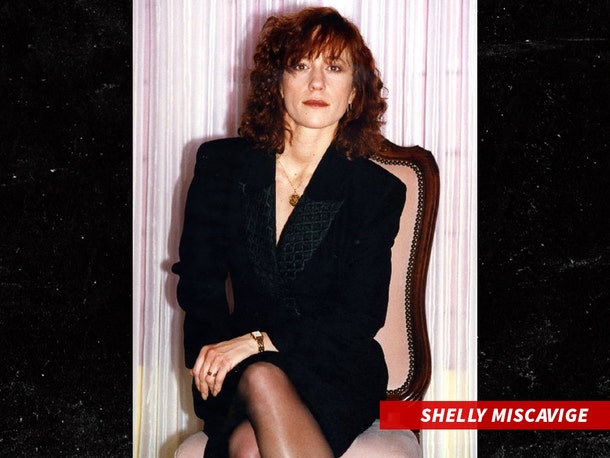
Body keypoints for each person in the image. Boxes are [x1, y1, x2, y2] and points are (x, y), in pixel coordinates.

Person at [172, 7, 406, 457]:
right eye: (301, 66)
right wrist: (210, 359)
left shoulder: (375, 191)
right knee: (258, 382)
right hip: (236, 364)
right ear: (277, 83)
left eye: (334, 68)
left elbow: (360, 315)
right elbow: (198, 285)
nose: (317, 83)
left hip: (333, 366)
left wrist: (260, 341)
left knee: (249, 443)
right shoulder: (222, 167)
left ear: (354, 92)